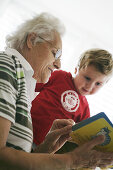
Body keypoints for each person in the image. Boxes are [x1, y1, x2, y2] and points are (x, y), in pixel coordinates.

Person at [0, 12, 113, 170]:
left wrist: (48, 146)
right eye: (55, 53)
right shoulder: (8, 66)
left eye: (98, 83)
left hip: (37, 146)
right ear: (31, 40)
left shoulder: (21, 80)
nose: (58, 64)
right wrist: (71, 160)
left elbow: (19, 160)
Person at [31, 48, 113, 148]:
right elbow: (30, 85)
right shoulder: (59, 76)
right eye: (87, 78)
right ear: (76, 70)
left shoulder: (85, 109)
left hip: (44, 146)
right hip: (24, 126)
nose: (90, 86)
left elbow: (80, 136)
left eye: (98, 83)